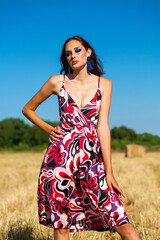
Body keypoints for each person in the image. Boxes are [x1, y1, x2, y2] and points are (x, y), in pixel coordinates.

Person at [22, 35, 141, 240]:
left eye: (77, 50)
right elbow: (28, 109)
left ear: (88, 52)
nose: (72, 56)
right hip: (59, 161)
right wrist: (49, 129)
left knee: (119, 219)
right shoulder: (56, 82)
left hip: (91, 160)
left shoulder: (104, 84)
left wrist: (109, 172)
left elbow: (102, 126)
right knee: (61, 226)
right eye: (68, 54)